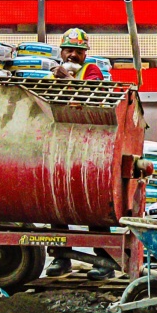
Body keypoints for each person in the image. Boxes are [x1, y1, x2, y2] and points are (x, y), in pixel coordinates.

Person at [45, 26, 113, 280]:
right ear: (61, 51)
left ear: (85, 54)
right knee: (56, 203)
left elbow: (93, 95)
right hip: (60, 145)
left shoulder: (91, 71)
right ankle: (61, 257)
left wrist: (69, 81)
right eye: (69, 50)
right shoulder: (54, 74)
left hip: (88, 146)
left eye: (78, 51)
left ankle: (103, 260)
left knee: (92, 202)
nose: (72, 55)